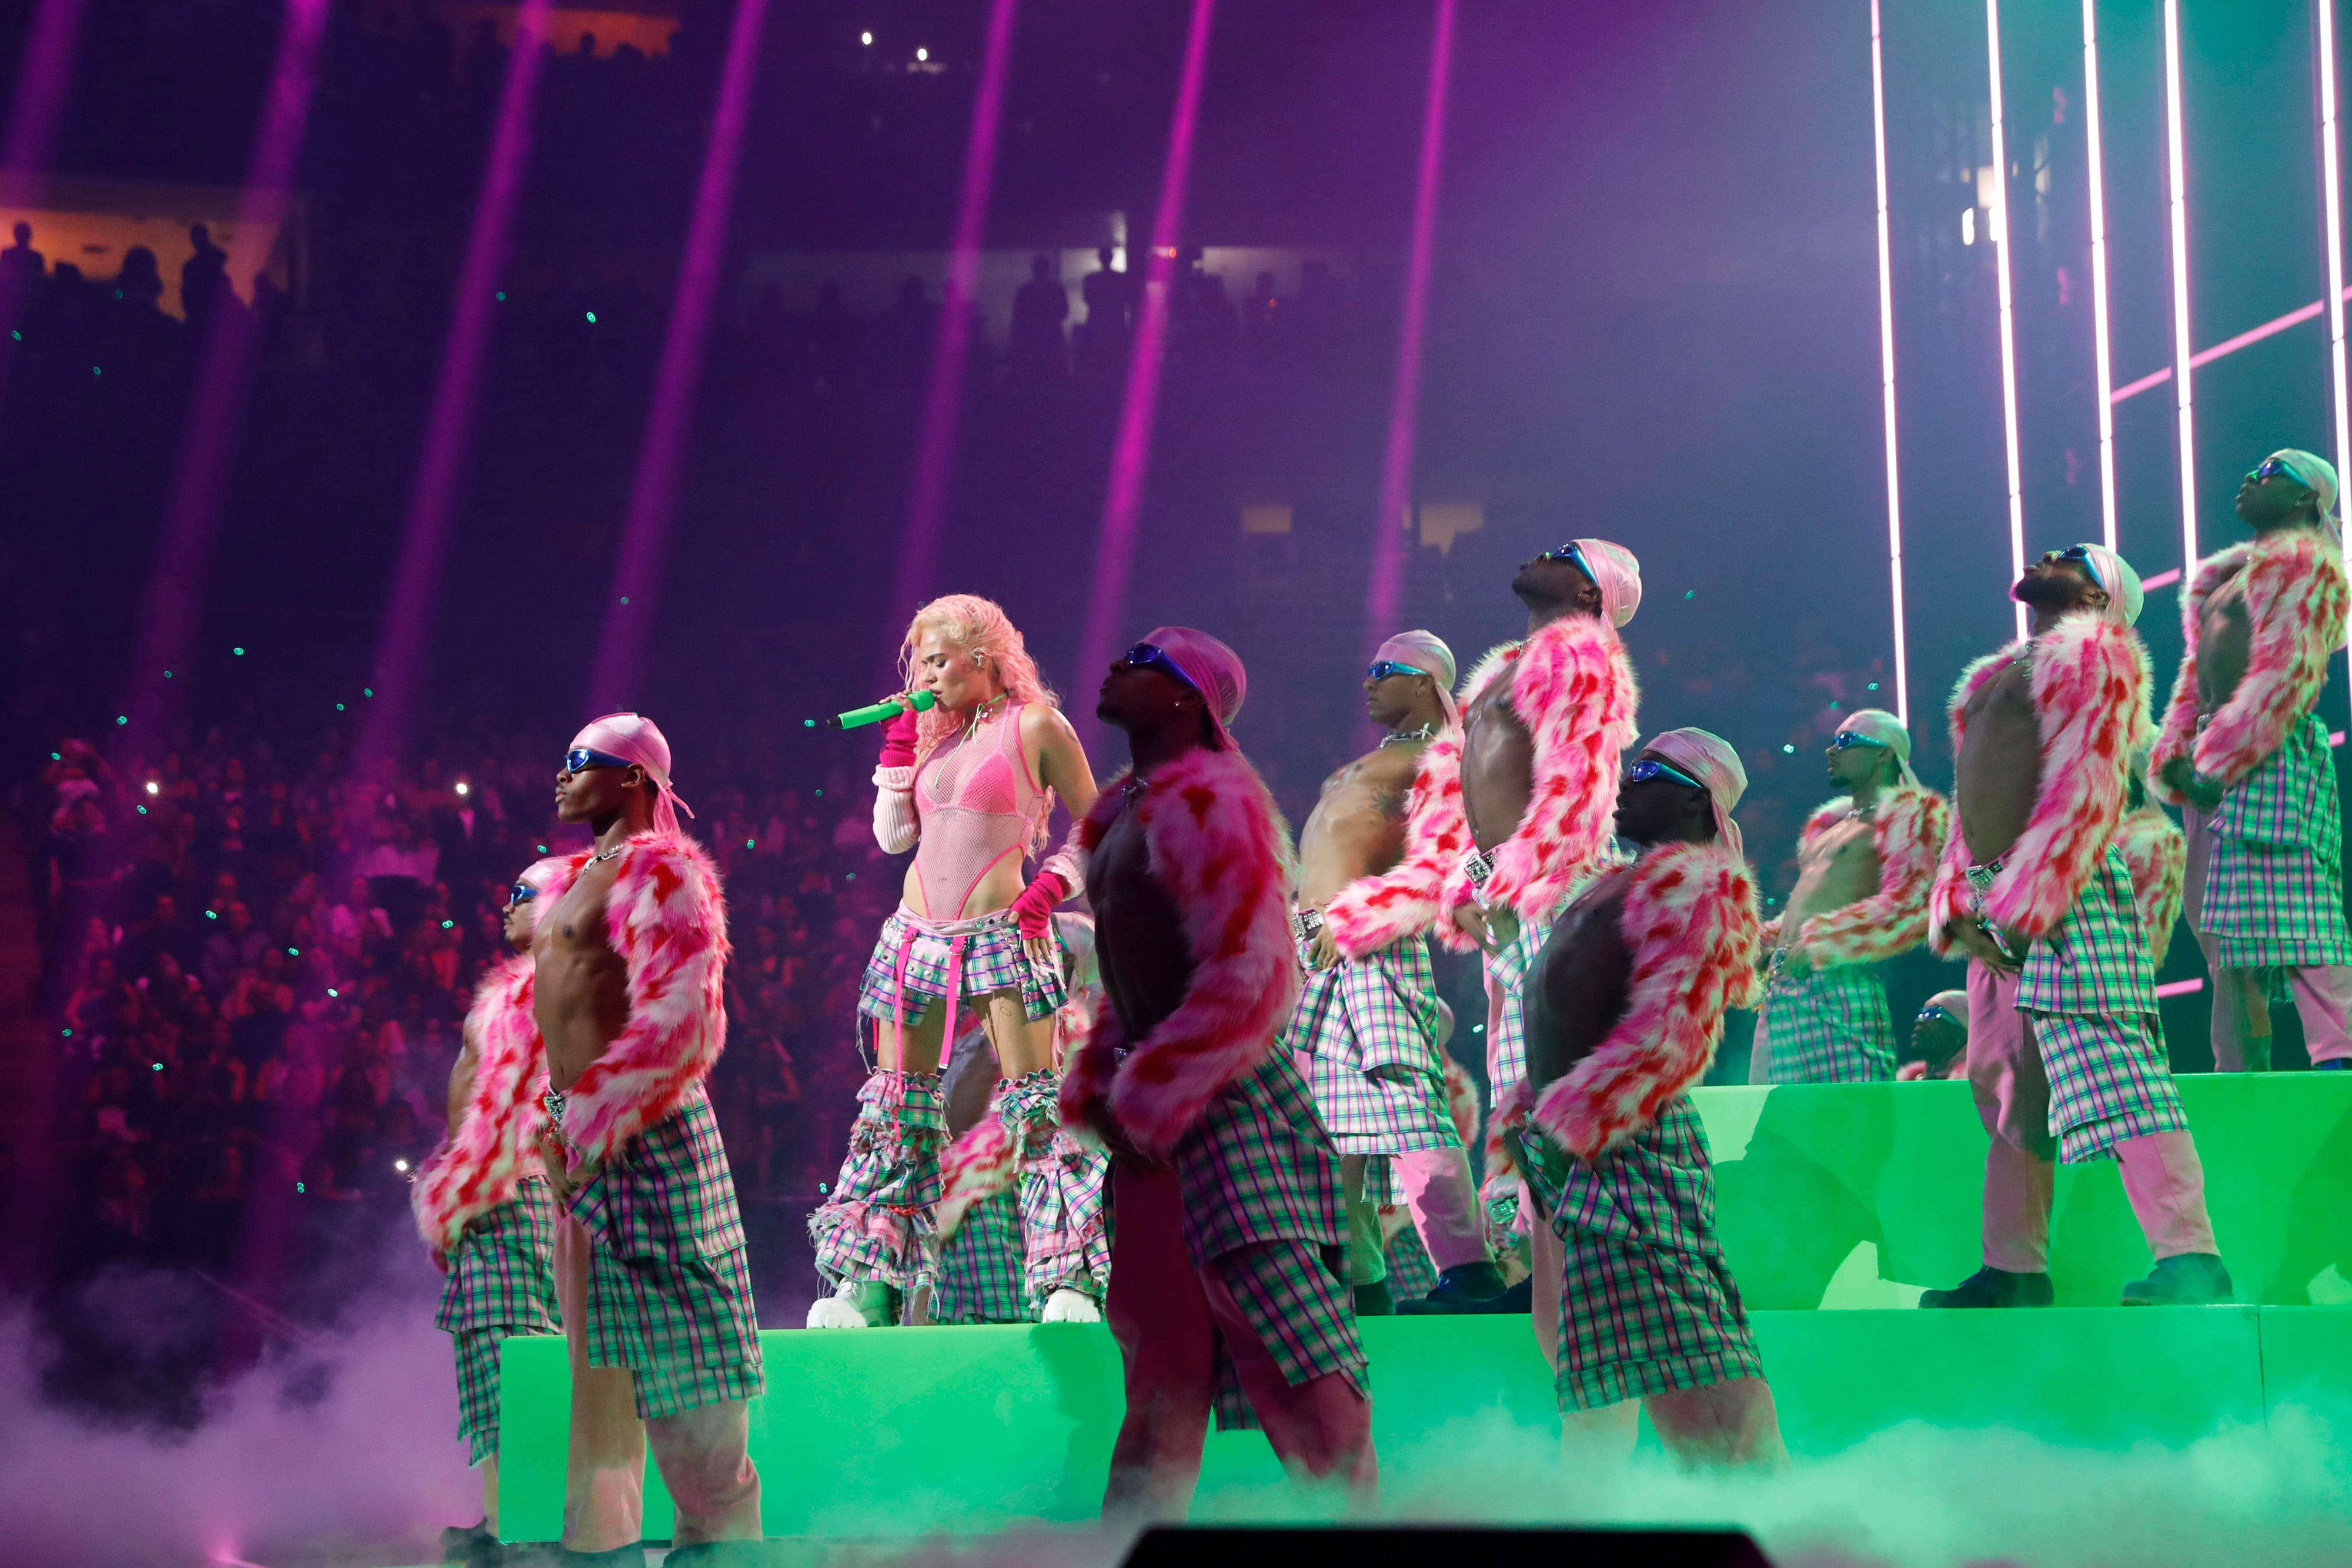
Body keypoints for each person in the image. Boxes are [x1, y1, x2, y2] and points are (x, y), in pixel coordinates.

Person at [1064, 628, 1374, 1515]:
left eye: (1144, 659)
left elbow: (1251, 974)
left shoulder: (1209, 799)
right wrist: (1114, 1081)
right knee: (1161, 1356)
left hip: (1225, 1097)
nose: (1118, 663)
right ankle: (1132, 1539)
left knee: (1294, 1340)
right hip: (1156, 1105)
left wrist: (1156, 1084)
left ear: (1188, 697)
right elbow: (1135, 975)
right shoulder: (1129, 806)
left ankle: (1360, 1522)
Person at [1925, 546, 2231, 1308]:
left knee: (2120, 1072)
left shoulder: (2093, 655)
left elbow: (2087, 789)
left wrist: (2031, 899)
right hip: (2000, 902)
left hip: (2063, 895)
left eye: (2068, 557)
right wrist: (1958, 902)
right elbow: (1976, 804)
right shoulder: (2003, 673)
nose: (2042, 556)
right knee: (2009, 1091)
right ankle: (2015, 1266)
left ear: (2099, 597)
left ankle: (2193, 1256)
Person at [808, 596, 1103, 1327]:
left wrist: (1054, 885)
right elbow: (893, 840)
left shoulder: (1033, 724)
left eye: (939, 660)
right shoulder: (934, 736)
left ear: (983, 659)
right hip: (914, 939)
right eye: (921, 663)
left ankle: (1067, 1276)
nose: (928, 676)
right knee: (895, 1110)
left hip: (1004, 930)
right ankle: (870, 1283)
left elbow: (1102, 825)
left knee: (1035, 1104)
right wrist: (898, 749)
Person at [1504, 728, 1785, 1466]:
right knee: (1620, 1383)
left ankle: (1781, 1529)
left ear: (1694, 796)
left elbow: (1672, 1041)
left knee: (1692, 1370)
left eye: (1646, 772)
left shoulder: (1700, 880)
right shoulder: (1625, 879)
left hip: (1623, 1150)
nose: (1624, 784)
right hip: (1584, 1148)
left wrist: (1570, 1134)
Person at [533, 714, 763, 1559]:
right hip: (585, 1142)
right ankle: (603, 1546)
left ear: (632, 777)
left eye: (578, 762)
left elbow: (683, 1020)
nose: (559, 776)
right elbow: (565, 1018)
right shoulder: (579, 874)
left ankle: (726, 1549)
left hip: (645, 1139)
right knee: (600, 1385)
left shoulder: (660, 868)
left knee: (689, 1384)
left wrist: (594, 1123)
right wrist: (557, 1125)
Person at [1453, 540, 1643, 1248]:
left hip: (1547, 888)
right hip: (1507, 890)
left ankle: (1580, 1255)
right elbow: (1466, 794)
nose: (1539, 554)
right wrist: (1464, 885)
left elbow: (1580, 788)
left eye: (1564, 555)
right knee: (1514, 1076)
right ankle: (1532, 1261)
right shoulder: (1510, 666)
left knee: (1547, 1074)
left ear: (1592, 594)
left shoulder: (1580, 656)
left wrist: (1525, 882)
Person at [1307, 631, 1504, 1313]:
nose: (1368, 682)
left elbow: (1453, 859)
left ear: (1425, 682)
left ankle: (1468, 1270)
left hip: (1367, 949)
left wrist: (1364, 917)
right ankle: (1362, 1284)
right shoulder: (1387, 756)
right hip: (1313, 955)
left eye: (1383, 671)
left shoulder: (1445, 756)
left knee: (1406, 1103)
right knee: (1324, 1127)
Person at [2151, 449, 2352, 1072]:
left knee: (2302, 919)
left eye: (2269, 474)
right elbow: (2196, 679)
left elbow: (2287, 675)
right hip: (2216, 756)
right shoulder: (2227, 580)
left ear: (2304, 500)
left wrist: (2217, 758)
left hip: (2265, 752)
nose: (2248, 478)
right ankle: (2240, 1079)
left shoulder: (2305, 567)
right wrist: (2178, 754)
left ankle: (2339, 1063)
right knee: (2225, 943)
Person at [412, 856, 570, 1564]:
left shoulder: (555, 989)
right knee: (490, 1353)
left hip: (512, 1190)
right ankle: (507, 1515)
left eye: (523, 895)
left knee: (508, 1352)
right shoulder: (516, 992)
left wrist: (477, 1185)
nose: (507, 904)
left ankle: (523, 1526)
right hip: (488, 1191)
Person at [1751, 710, 1948, 1084]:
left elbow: (1916, 904)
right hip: (1784, 987)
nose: (1830, 751)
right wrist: (1768, 941)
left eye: (1845, 742)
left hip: (1841, 984)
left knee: (1848, 1123)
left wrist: (1825, 942)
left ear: (1884, 754)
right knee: (1775, 1125)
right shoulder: (1828, 830)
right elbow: (1812, 905)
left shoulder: (1907, 817)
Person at [1899, 990, 1971, 1081]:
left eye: (1933, 1013)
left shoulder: (1976, 1090)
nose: (1919, 1020)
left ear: (1962, 1031)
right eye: (1922, 1014)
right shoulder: (1906, 1085)